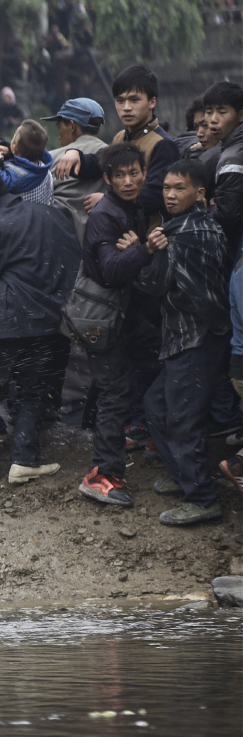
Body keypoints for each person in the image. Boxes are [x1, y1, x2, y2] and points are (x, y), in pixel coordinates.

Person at [0, 167, 79, 485]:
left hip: (6, 319)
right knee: (32, 390)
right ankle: (24, 459)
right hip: (49, 320)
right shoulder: (54, 216)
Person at [136, 160, 230, 526]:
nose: (171, 195)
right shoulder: (195, 227)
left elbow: (151, 284)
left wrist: (147, 250)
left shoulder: (182, 234)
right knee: (155, 405)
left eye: (180, 188)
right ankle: (183, 476)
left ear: (199, 193)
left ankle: (203, 498)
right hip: (189, 337)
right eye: (166, 188)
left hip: (194, 339)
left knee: (182, 420)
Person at [74, 143, 161, 507]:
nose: (129, 181)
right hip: (101, 319)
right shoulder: (106, 216)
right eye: (120, 175)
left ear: (144, 173)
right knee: (114, 393)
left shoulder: (134, 207)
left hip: (124, 316)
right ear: (107, 179)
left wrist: (136, 247)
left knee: (154, 367)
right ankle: (101, 474)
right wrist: (144, 251)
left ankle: (157, 440)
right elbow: (110, 270)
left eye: (134, 173)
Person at [54, 65, 179, 227]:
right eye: (120, 100)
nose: (126, 107)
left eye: (134, 100)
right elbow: (99, 162)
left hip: (150, 238)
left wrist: (109, 201)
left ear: (152, 102)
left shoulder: (162, 144)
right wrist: (76, 155)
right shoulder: (121, 137)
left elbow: (156, 195)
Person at [44, 97, 107, 243]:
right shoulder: (117, 156)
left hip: (61, 240)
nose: (59, 133)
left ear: (72, 126)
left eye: (59, 126)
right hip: (101, 242)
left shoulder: (51, 159)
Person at [202, 81, 243, 256]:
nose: (213, 119)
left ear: (241, 115)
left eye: (222, 112)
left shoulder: (233, 158)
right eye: (209, 111)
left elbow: (228, 216)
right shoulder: (227, 148)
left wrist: (204, 211)